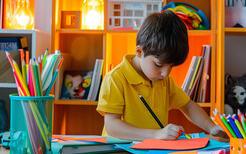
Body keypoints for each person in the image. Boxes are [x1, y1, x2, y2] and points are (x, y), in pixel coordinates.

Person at [96, 10, 226, 141]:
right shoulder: (115, 78)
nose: (165, 73)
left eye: (171, 66)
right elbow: (112, 126)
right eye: (158, 65)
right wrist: (156, 135)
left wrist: (211, 127)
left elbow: (187, 105)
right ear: (139, 52)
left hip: (152, 153)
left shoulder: (164, 81)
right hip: (120, 153)